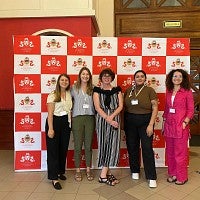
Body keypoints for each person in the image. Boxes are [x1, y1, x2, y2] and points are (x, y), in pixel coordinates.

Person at [124, 70, 158, 188]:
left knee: (147, 148)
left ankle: (151, 177)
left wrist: (150, 124)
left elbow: (155, 107)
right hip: (130, 121)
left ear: (145, 78)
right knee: (132, 146)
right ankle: (135, 170)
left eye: (142, 76)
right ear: (134, 78)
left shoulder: (150, 90)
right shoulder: (129, 90)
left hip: (145, 121)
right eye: (137, 76)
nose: (139, 78)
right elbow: (125, 107)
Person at [163, 69, 194, 185]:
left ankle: (182, 176)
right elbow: (167, 108)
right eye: (175, 76)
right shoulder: (169, 90)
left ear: (183, 78)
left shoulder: (187, 92)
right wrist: (164, 121)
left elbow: (191, 110)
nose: (177, 78)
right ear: (171, 78)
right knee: (170, 152)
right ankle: (173, 174)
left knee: (180, 153)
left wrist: (185, 122)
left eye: (180, 76)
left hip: (181, 126)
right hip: (169, 125)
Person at [93, 68, 123, 186]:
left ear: (112, 77)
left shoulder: (117, 90)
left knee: (113, 145)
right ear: (101, 78)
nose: (106, 78)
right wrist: (108, 119)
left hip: (115, 118)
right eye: (104, 76)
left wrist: (112, 117)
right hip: (102, 119)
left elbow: (120, 106)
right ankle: (103, 176)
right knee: (104, 144)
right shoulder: (96, 91)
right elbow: (97, 107)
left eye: (108, 76)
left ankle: (106, 172)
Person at [45, 74, 72, 190]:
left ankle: (60, 172)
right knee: (53, 151)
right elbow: (50, 113)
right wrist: (51, 128)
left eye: (66, 80)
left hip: (66, 123)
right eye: (62, 80)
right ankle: (54, 178)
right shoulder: (53, 95)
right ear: (58, 82)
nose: (64, 82)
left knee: (63, 149)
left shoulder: (69, 94)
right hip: (54, 122)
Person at [71, 67, 95, 182]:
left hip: (90, 118)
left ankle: (88, 169)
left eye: (87, 74)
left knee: (88, 145)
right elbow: (65, 100)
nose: (85, 76)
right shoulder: (74, 88)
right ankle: (78, 170)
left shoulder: (93, 88)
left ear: (89, 76)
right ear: (80, 75)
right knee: (77, 146)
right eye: (83, 74)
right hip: (77, 118)